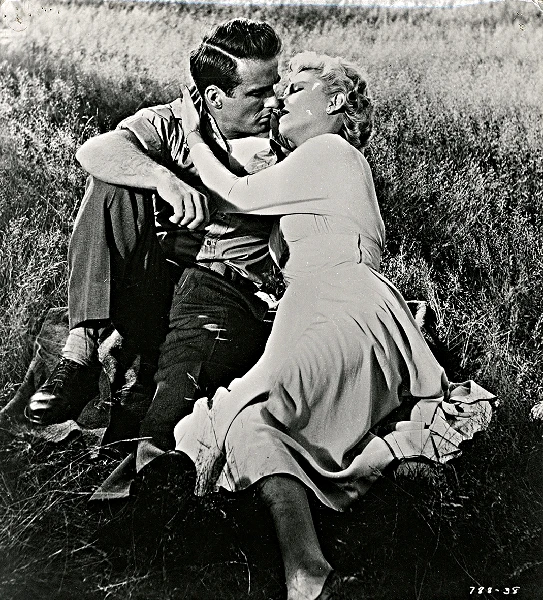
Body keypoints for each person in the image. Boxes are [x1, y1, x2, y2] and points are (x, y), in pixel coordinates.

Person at [171, 52, 496, 600]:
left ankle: (308, 569)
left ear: (336, 101)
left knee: (256, 413)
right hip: (335, 308)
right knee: (253, 419)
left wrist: (195, 134)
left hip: (338, 303)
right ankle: (312, 570)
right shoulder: (319, 167)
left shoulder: (330, 151)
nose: (280, 99)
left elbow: (239, 193)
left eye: (296, 89)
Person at [24, 18, 285, 465]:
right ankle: (81, 352)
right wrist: (162, 178)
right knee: (111, 182)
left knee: (169, 413)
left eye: (274, 86)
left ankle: (143, 455)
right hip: (154, 285)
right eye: (258, 93)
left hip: (222, 290)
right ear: (215, 98)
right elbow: (94, 151)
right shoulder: (174, 121)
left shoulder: (286, 131)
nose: (274, 101)